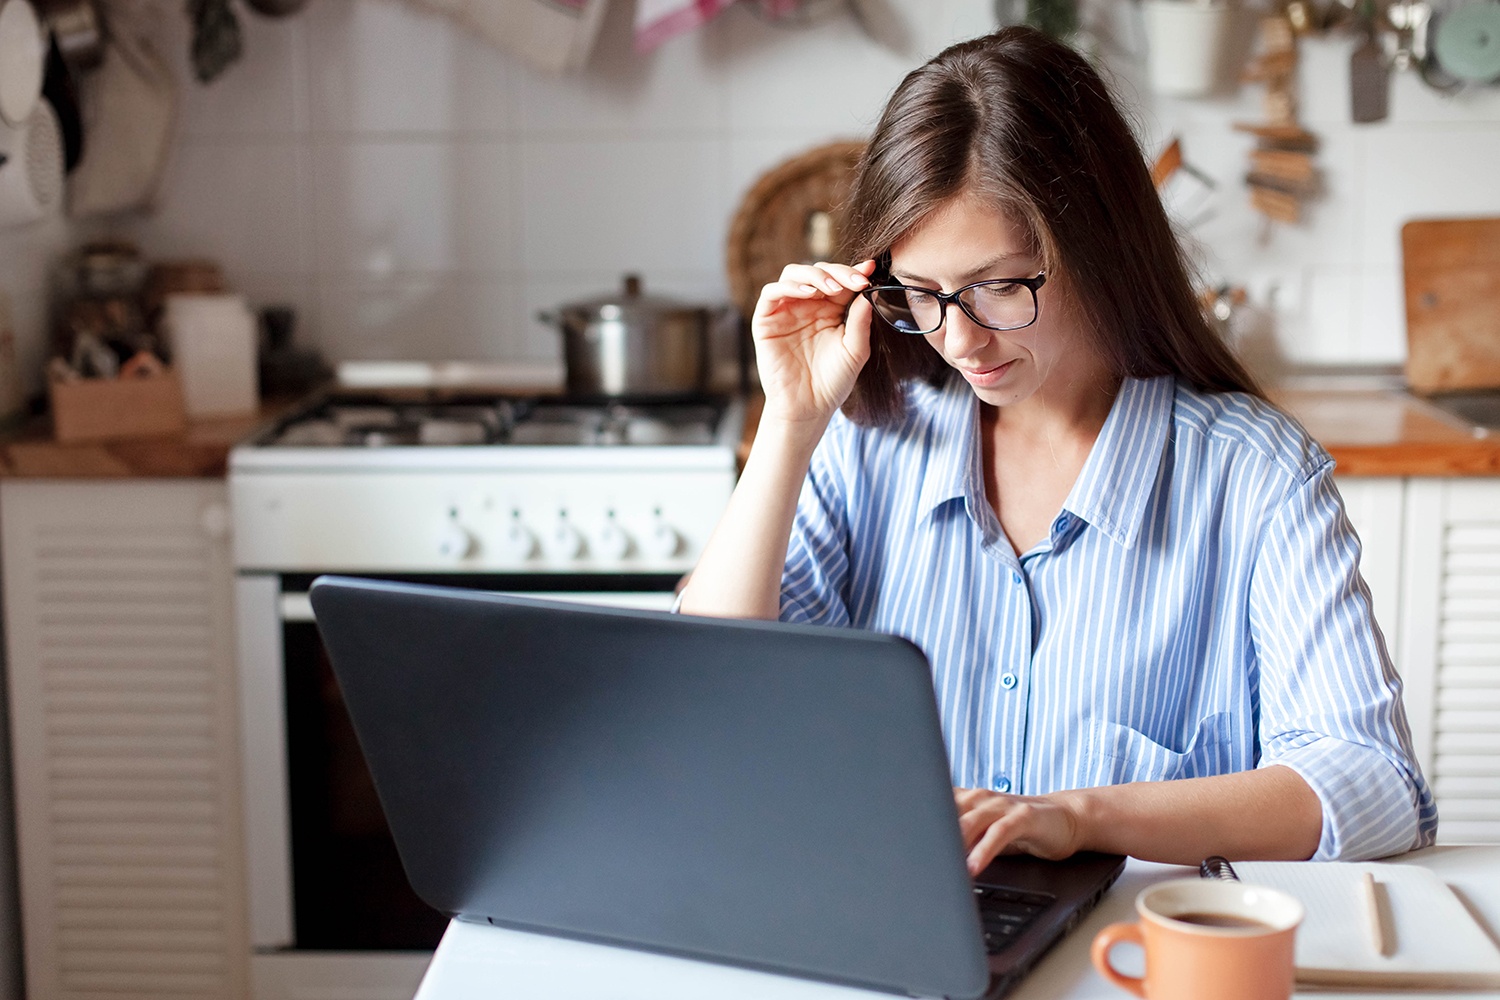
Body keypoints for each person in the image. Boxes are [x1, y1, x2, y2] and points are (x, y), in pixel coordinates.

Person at [678, 26, 1436, 872]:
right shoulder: (869, 443)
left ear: (1098, 247)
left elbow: (1372, 782)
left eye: (999, 286)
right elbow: (711, 694)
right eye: (921, 294)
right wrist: (788, 425)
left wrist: (1076, 816)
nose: (958, 339)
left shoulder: (1255, 476)